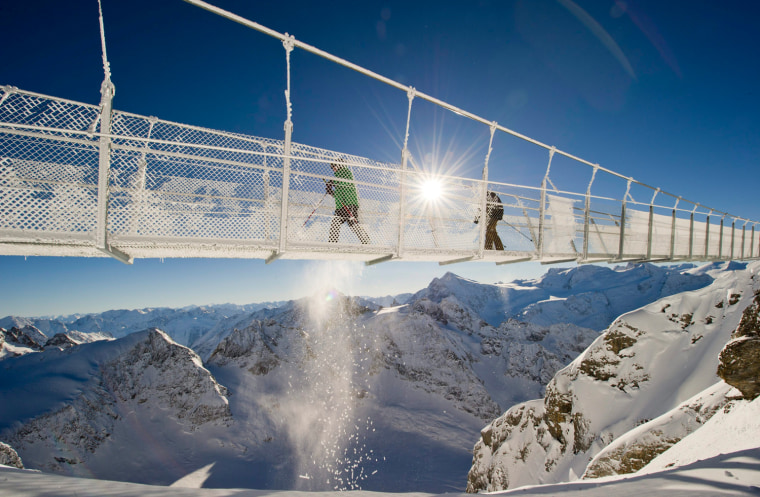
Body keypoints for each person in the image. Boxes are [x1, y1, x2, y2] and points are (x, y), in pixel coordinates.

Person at [325, 158, 370, 244]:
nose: (333, 168)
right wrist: (331, 192)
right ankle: (332, 243)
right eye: (332, 167)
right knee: (335, 223)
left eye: (334, 166)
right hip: (340, 206)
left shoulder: (346, 172)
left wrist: (333, 182)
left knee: (352, 224)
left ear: (339, 165)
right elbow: (339, 194)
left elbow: (345, 183)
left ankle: (365, 241)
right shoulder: (337, 177)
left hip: (350, 204)